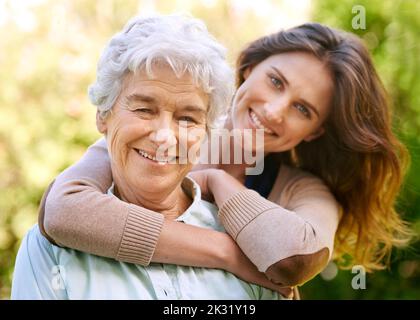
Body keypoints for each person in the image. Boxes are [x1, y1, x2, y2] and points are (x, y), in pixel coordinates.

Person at [37, 20, 411, 295]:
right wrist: (229, 255)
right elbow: (63, 211)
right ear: (249, 69)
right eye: (276, 81)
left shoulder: (300, 189)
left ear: (313, 131)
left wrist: (218, 182)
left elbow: (295, 259)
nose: (276, 110)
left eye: (302, 109)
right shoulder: (165, 135)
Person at [11, 14, 285, 300]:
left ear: (206, 132)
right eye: (144, 109)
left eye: (188, 118)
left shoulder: (247, 246)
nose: (164, 137)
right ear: (103, 115)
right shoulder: (50, 249)